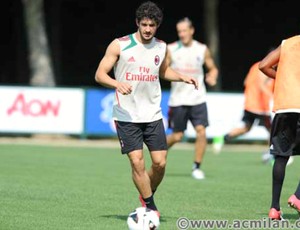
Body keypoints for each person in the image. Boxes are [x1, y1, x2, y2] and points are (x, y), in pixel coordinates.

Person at [94, 1, 198, 218]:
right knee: (137, 161)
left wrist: (182, 77)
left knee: (160, 163)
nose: (148, 29)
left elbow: (164, 70)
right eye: (144, 24)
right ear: (137, 23)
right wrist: (117, 84)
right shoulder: (119, 45)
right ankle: (150, 206)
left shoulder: (161, 47)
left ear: (157, 25)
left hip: (152, 114)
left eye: (152, 25)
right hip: (126, 114)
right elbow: (100, 74)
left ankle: (145, 193)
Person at [165, 17, 218, 180]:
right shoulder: (171, 49)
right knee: (177, 136)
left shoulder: (201, 49)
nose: (181, 34)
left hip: (198, 98)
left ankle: (196, 167)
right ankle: (157, 154)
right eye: (179, 31)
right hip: (178, 100)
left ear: (191, 30)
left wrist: (213, 77)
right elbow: (164, 71)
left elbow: (212, 68)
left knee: (201, 132)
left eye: (184, 30)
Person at [259, 35, 300, 220]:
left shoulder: (288, 43)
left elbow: (263, 66)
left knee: (281, 157)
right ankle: (298, 196)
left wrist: (282, 77)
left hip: (284, 107)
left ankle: (274, 208)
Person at [212, 61, 274, 159]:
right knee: (272, 130)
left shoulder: (255, 66)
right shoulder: (268, 67)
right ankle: (272, 154)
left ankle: (221, 138)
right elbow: (262, 84)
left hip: (250, 103)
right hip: (260, 106)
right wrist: (273, 96)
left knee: (246, 128)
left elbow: (245, 82)